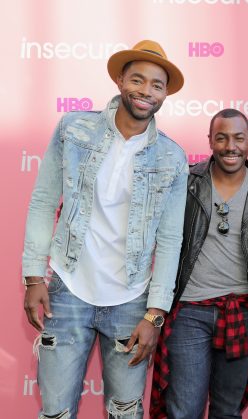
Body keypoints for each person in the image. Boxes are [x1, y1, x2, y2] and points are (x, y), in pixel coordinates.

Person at [21, 40, 188, 418]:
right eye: (138, 80)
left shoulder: (171, 158)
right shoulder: (73, 129)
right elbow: (44, 200)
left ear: (164, 94)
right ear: (119, 80)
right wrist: (33, 276)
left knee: (125, 412)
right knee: (56, 412)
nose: (146, 91)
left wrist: (154, 313)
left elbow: (170, 240)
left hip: (132, 300)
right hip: (67, 290)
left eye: (157, 85)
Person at [149, 109, 248, 419]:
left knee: (227, 412)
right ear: (210, 141)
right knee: (184, 411)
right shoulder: (187, 183)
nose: (230, 146)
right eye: (222, 138)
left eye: (238, 138)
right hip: (190, 312)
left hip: (241, 313)